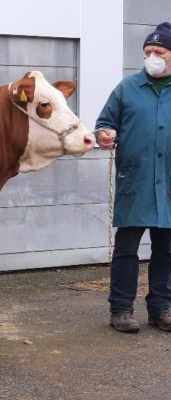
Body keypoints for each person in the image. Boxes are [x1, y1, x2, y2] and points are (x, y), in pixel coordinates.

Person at [96, 22, 171, 333]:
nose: (151, 57)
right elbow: (103, 123)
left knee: (166, 249)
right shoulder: (126, 88)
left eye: (159, 52)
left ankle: (161, 309)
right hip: (135, 179)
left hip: (167, 184)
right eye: (147, 52)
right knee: (126, 248)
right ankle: (121, 309)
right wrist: (104, 134)